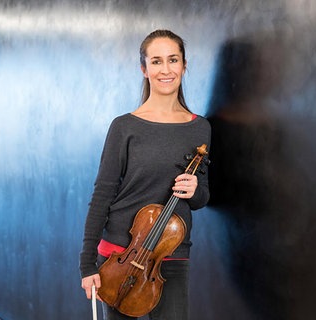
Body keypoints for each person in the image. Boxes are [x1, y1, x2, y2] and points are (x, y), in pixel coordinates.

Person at [79, 29, 211, 320]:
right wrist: (87, 264)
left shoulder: (200, 128)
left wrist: (195, 189)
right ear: (144, 69)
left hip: (170, 254)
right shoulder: (124, 127)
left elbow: (202, 197)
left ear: (184, 66)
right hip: (119, 254)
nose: (166, 69)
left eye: (173, 60)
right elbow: (102, 194)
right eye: (156, 61)